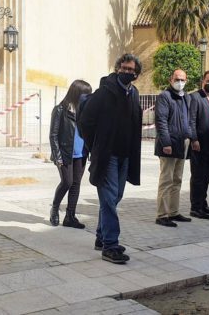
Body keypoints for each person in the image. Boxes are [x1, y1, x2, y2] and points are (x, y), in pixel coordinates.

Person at [77, 54, 143, 264]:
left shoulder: (133, 94)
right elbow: (85, 121)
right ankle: (110, 246)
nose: (126, 72)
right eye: (123, 68)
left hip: (125, 155)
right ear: (116, 69)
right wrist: (95, 145)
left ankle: (101, 237)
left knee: (115, 197)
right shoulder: (105, 92)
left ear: (136, 74)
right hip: (108, 156)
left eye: (131, 70)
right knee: (108, 198)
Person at [49, 80, 93, 228]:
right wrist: (57, 157)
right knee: (67, 182)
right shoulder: (60, 110)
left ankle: (70, 216)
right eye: (85, 94)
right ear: (76, 94)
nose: (87, 98)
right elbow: (53, 135)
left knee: (76, 184)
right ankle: (55, 209)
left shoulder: (85, 111)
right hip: (65, 154)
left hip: (81, 154)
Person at [154, 69, 193, 227]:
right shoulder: (165, 96)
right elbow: (161, 121)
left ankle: (174, 211)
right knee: (166, 180)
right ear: (171, 80)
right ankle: (162, 215)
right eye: (177, 79)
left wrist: (190, 136)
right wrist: (166, 143)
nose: (180, 82)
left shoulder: (186, 98)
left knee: (177, 179)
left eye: (183, 79)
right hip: (169, 144)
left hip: (182, 143)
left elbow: (188, 119)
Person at [188, 71, 209, 220]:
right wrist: (194, 139)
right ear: (203, 81)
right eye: (208, 81)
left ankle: (203, 203)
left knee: (207, 175)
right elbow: (191, 120)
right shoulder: (195, 97)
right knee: (198, 176)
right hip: (200, 144)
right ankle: (195, 207)